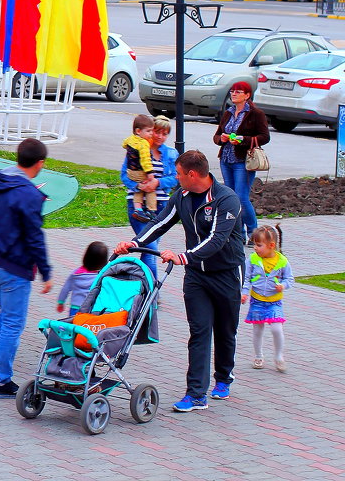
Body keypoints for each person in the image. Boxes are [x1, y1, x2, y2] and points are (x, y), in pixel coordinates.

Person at [113, 150, 244, 413]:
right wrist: (135, 243)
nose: (177, 179)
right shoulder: (181, 197)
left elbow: (216, 241)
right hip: (197, 277)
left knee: (225, 330)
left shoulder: (226, 200)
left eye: (180, 174)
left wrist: (184, 257)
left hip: (226, 273)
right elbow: (159, 223)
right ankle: (196, 395)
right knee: (199, 331)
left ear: (193, 174)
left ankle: (223, 377)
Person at [0, 137, 52, 399]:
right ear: (39, 163)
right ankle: (1, 380)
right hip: (13, 268)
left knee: (6, 314)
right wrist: (46, 272)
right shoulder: (28, 194)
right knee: (13, 322)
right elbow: (34, 236)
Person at [120, 115, 178, 277]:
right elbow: (124, 175)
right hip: (138, 207)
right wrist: (138, 185)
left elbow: (175, 177)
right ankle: (152, 289)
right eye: (156, 132)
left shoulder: (171, 153)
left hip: (160, 207)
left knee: (148, 250)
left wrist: (157, 183)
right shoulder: (137, 148)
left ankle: (143, 287)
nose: (159, 136)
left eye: (164, 133)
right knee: (150, 248)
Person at [214, 80, 269, 237]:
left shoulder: (256, 114)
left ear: (247, 95)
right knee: (231, 199)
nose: (234, 94)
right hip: (226, 160)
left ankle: (254, 233)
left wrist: (242, 140)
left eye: (238, 91)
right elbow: (217, 135)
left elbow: (265, 137)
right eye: (232, 91)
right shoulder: (228, 112)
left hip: (243, 162)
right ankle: (238, 234)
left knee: (241, 197)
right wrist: (222, 139)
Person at [242, 224, 294, 372]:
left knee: (277, 329)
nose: (255, 248)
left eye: (259, 245)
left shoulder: (282, 261)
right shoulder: (252, 260)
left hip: (274, 302)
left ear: (271, 245)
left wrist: (283, 286)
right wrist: (244, 292)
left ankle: (279, 356)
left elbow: (290, 279)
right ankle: (258, 356)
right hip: (257, 301)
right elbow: (246, 278)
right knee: (258, 329)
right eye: (254, 245)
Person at [56, 241, 108, 317]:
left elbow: (65, 288)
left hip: (75, 308)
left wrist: (61, 302)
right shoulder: (100, 277)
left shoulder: (75, 273)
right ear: (103, 262)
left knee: (73, 326)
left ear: (86, 256)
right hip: (90, 308)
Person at [122, 114, 159, 218]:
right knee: (150, 189)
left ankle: (138, 209)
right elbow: (145, 160)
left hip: (131, 172)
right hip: (140, 171)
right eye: (148, 131)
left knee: (139, 189)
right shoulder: (143, 143)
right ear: (138, 131)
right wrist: (150, 173)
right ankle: (151, 210)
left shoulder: (130, 139)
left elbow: (124, 144)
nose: (151, 134)